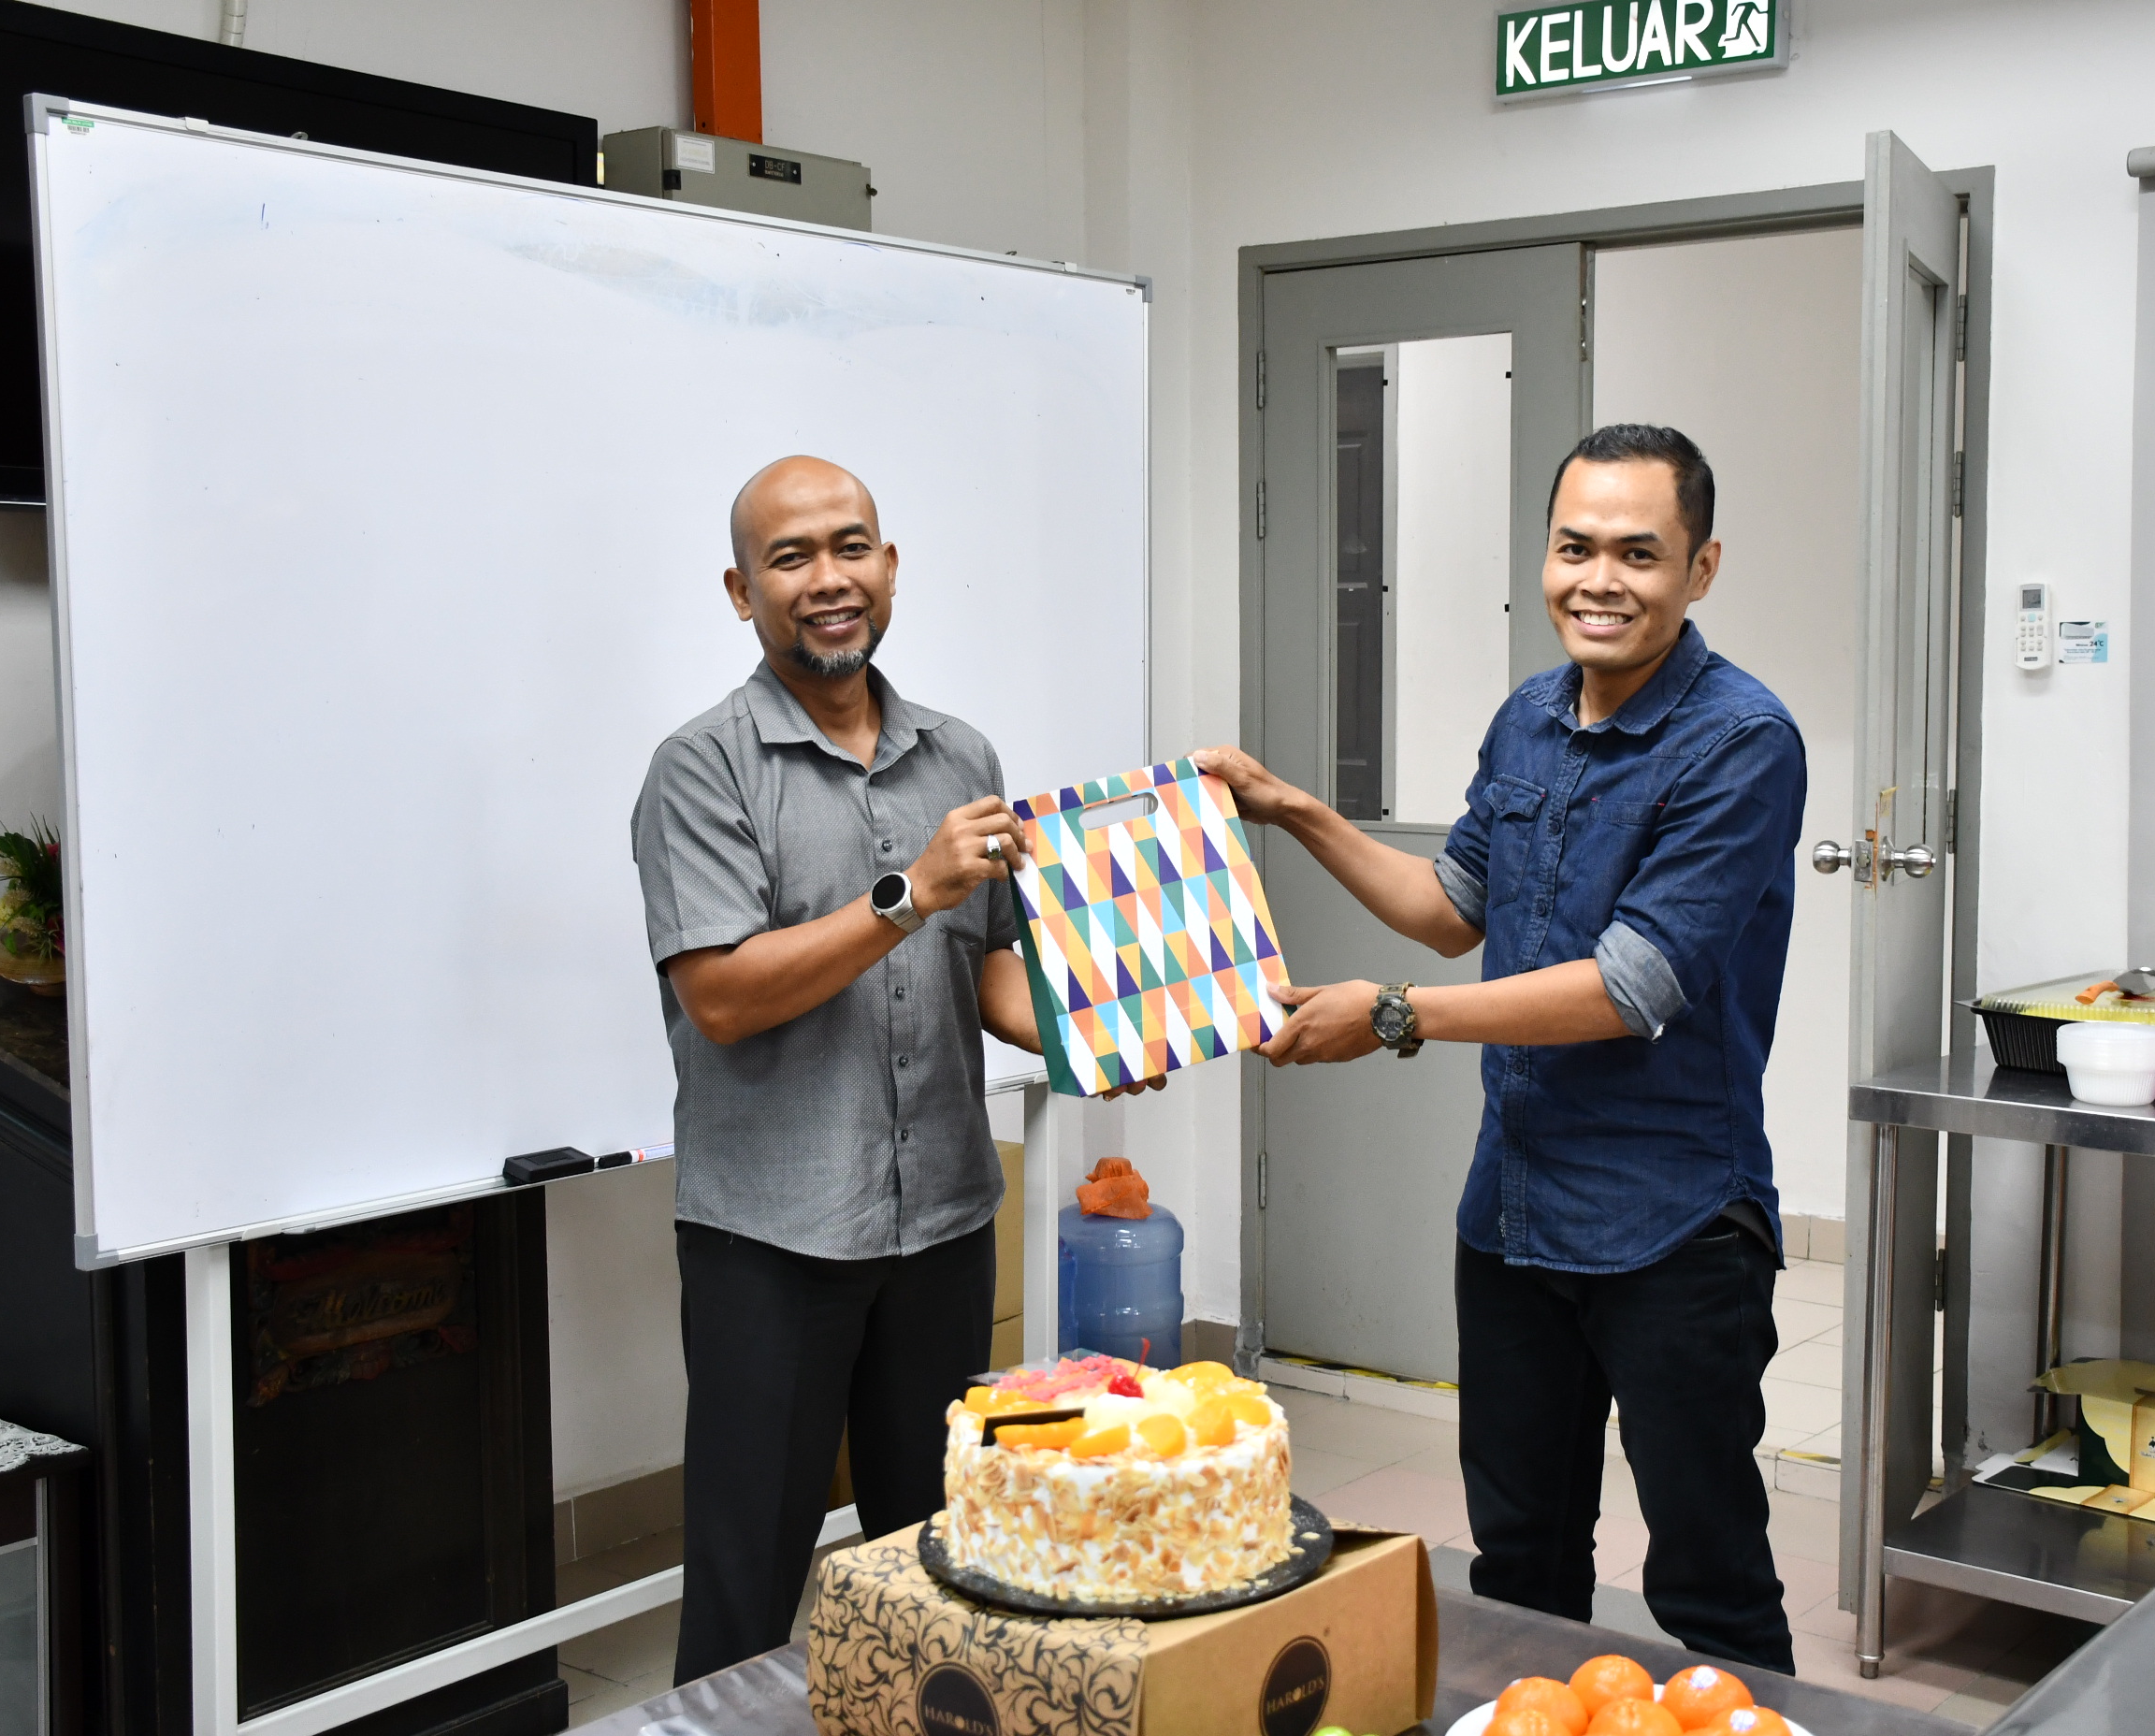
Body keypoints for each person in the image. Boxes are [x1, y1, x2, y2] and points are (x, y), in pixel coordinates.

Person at [1197, 423, 1804, 1672]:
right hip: (1515, 1218)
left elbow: (1634, 984)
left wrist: (1394, 1015)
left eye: (1638, 553)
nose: (1600, 580)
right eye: (1575, 548)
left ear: (1700, 568)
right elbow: (1451, 906)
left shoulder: (1744, 741)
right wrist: (1293, 810)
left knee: (1710, 1583)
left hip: (1675, 1227)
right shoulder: (1529, 718)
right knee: (1520, 1566)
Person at [631, 456, 1150, 1680]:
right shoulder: (701, 768)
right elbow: (723, 997)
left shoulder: (960, 756)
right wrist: (908, 892)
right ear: (741, 591)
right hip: (772, 1241)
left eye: (850, 546)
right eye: (791, 557)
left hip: (942, 1229)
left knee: (939, 1567)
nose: (828, 579)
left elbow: (990, 964)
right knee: (748, 1584)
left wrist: (1092, 1039)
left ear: (890, 565)